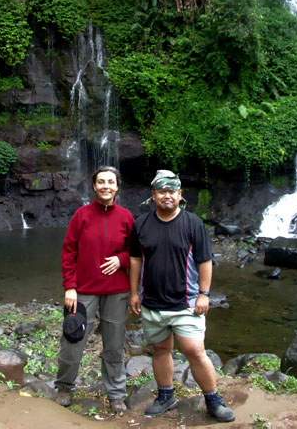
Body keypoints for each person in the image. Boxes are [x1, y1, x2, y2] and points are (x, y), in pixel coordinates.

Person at [129, 170, 235, 423]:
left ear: (180, 195)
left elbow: (205, 261)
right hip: (152, 302)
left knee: (195, 350)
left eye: (172, 191)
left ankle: (213, 399)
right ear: (153, 195)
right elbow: (135, 259)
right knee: (160, 350)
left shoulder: (193, 223)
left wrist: (204, 294)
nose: (167, 196)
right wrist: (134, 292)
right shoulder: (141, 223)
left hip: (186, 302)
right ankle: (166, 395)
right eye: (162, 191)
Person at [55, 166, 135, 414]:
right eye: (101, 182)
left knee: (114, 344)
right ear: (94, 186)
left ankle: (116, 393)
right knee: (73, 338)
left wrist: (120, 260)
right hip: (84, 291)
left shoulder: (126, 217)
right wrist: (70, 286)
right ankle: (64, 387)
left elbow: (135, 253)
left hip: (117, 291)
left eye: (110, 182)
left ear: (117, 186)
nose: (106, 186)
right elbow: (69, 252)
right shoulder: (82, 215)